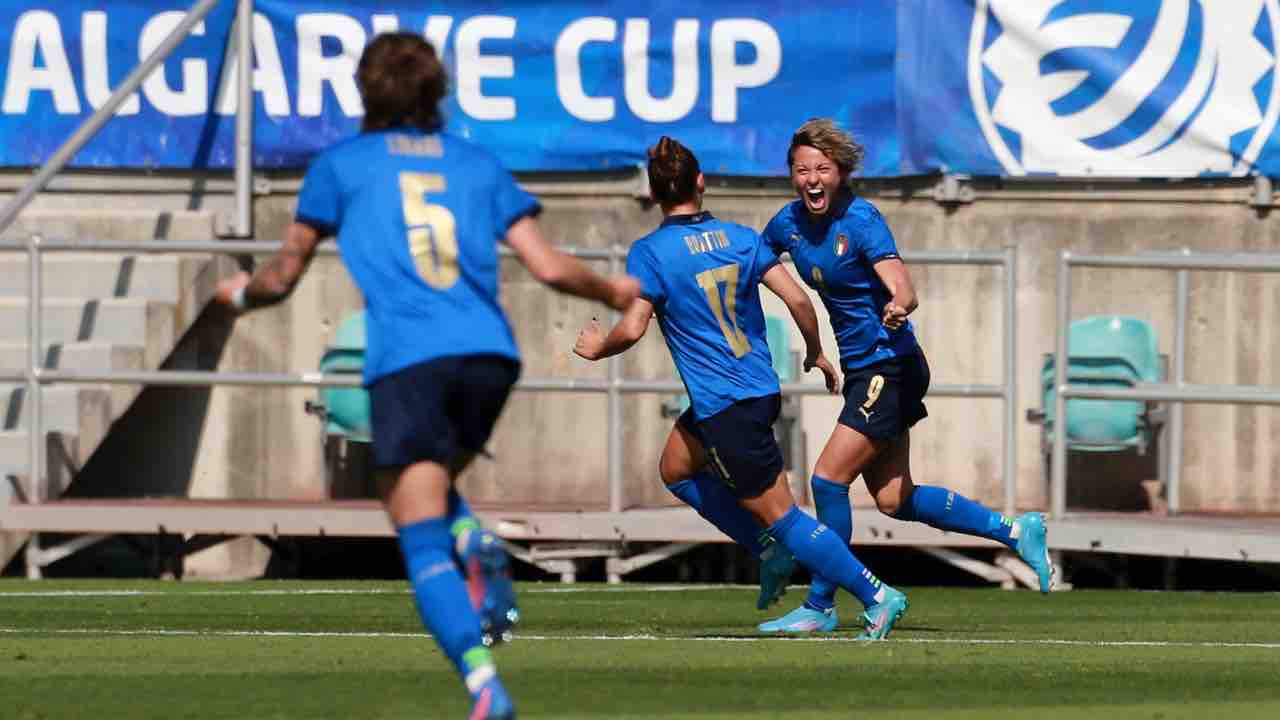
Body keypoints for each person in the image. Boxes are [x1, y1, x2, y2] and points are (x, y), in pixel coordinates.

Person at [214, 32, 639, 720]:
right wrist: (612, 292)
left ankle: (482, 685)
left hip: (408, 359)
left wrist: (235, 294)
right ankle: (473, 539)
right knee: (432, 487)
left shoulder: (341, 166)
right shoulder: (475, 164)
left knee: (415, 529)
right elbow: (552, 267)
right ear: (437, 91)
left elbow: (282, 275)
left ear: (365, 91)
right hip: (490, 358)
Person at [575, 136, 909, 641]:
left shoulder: (651, 253)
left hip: (725, 405)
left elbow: (634, 325)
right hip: (755, 390)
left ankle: (875, 593)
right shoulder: (739, 237)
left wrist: (600, 347)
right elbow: (798, 299)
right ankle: (766, 546)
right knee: (676, 467)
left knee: (786, 518)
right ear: (701, 184)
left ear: (654, 192)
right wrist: (816, 350)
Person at [756, 118, 1053, 634]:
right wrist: (812, 349)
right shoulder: (786, 225)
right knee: (894, 499)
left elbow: (903, 285)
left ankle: (823, 605)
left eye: (823, 168)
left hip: (890, 365)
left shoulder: (864, 220)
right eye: (802, 169)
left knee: (827, 480)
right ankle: (1014, 529)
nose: (812, 179)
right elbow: (754, 269)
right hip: (862, 370)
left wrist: (898, 304)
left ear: (842, 173)